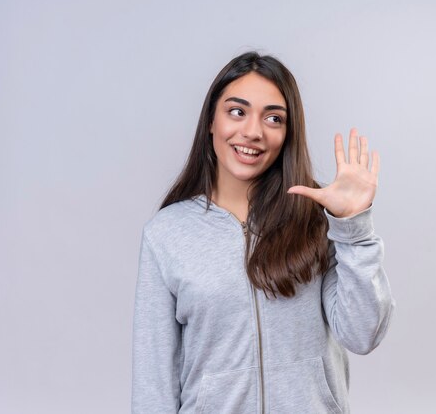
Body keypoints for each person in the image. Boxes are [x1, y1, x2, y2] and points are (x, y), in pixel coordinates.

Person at [132, 51, 395, 414]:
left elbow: (363, 334)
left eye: (273, 118)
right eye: (237, 111)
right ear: (211, 121)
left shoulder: (315, 220)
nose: (253, 132)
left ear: (287, 133)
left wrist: (353, 226)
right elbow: (153, 382)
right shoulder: (166, 234)